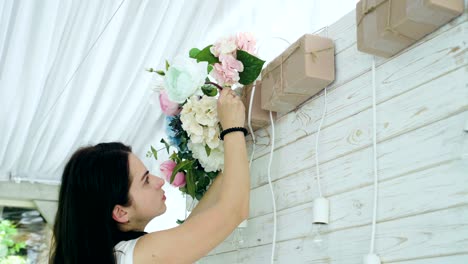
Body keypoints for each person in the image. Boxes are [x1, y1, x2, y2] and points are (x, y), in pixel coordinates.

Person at [49, 87, 250, 263]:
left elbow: (191, 230)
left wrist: (233, 159)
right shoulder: (133, 255)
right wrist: (233, 128)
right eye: (145, 180)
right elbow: (233, 212)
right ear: (120, 213)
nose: (159, 181)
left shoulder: (119, 256)